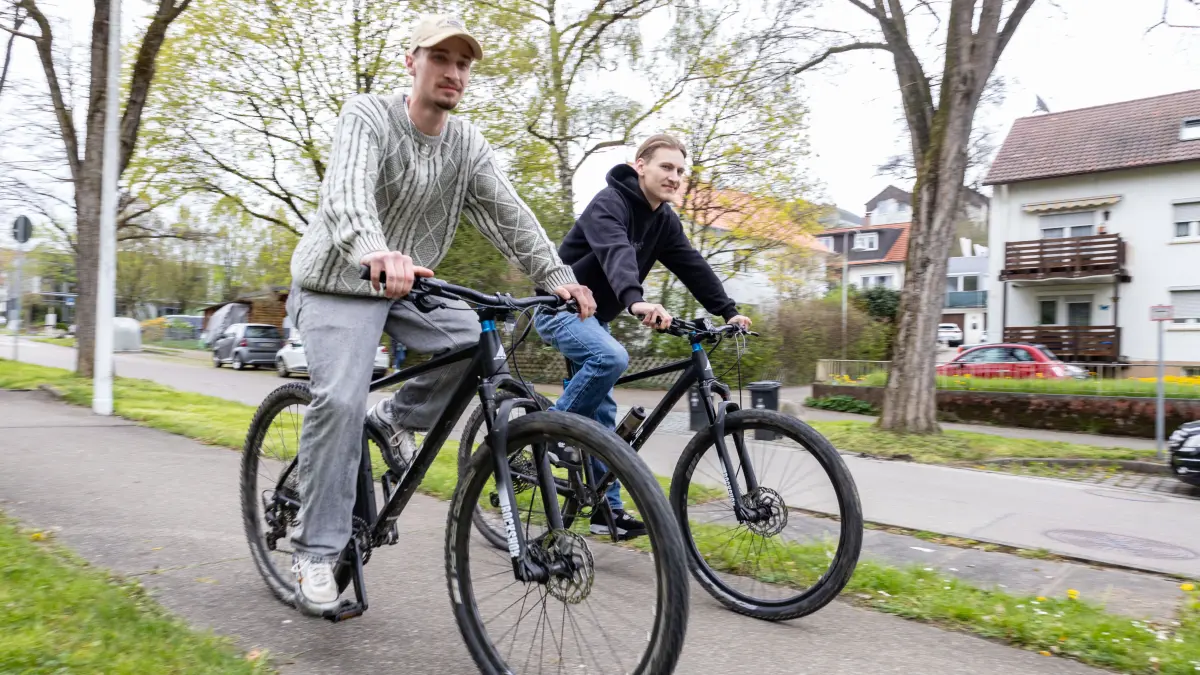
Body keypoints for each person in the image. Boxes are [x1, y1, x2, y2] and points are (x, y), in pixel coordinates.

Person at [285, 14, 595, 616]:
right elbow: (347, 192)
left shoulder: (466, 145)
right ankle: (316, 552)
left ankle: (395, 420)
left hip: (406, 287)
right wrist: (371, 250)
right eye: (440, 59)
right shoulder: (368, 116)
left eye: (463, 63)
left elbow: (510, 214)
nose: (453, 72)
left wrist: (557, 275)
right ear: (412, 63)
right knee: (341, 400)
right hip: (337, 281)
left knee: (477, 339)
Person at [534, 134, 751, 540]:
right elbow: (616, 252)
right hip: (558, 308)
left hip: (594, 319)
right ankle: (547, 435)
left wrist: (728, 310)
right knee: (611, 358)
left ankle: (606, 511)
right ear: (640, 166)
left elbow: (691, 264)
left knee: (603, 413)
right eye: (666, 167)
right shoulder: (609, 203)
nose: (674, 177)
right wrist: (635, 301)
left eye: (680, 171)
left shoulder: (664, 220)